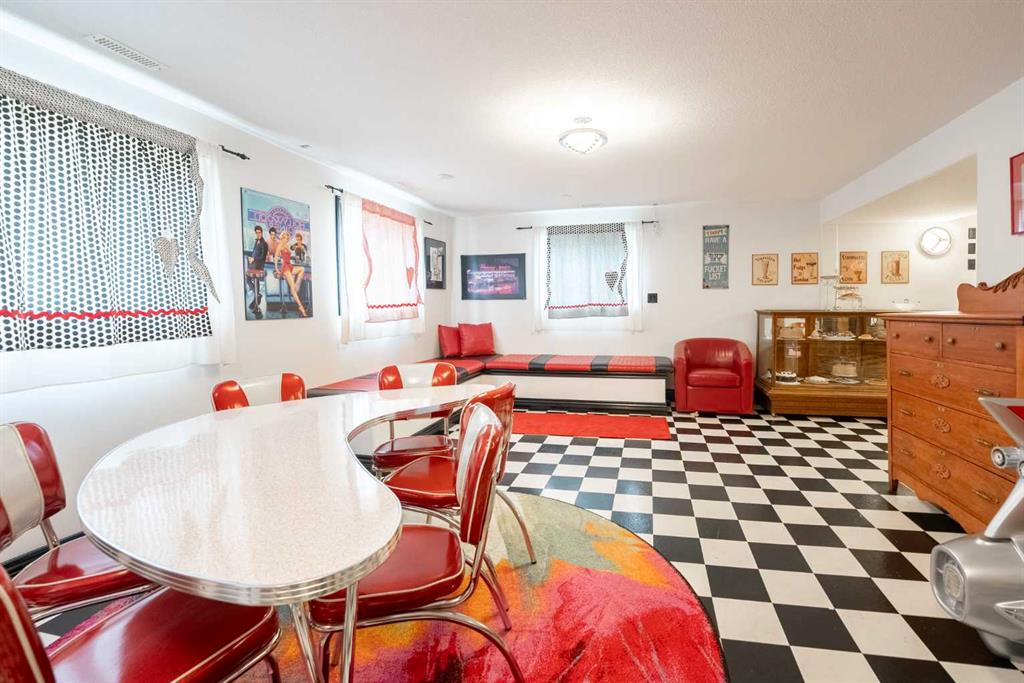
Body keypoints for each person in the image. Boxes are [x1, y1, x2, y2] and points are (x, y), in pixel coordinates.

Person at [274, 230, 308, 318]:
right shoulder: (280, 245)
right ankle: (301, 307)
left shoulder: (287, 245)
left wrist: (295, 256)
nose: (286, 239)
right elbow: (276, 256)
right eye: (284, 238)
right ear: (282, 238)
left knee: (302, 269)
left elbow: (290, 254)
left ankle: (297, 285)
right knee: (293, 289)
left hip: (290, 265)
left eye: (287, 238)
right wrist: (276, 268)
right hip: (285, 267)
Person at [246, 225, 268, 319]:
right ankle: (257, 294)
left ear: (262, 232)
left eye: (259, 232)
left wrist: (254, 259)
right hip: (254, 263)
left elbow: (263, 257)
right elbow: (254, 252)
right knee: (248, 279)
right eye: (257, 232)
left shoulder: (264, 243)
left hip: (259, 265)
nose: (258, 234)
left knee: (250, 278)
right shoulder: (256, 241)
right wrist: (251, 258)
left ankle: (257, 295)